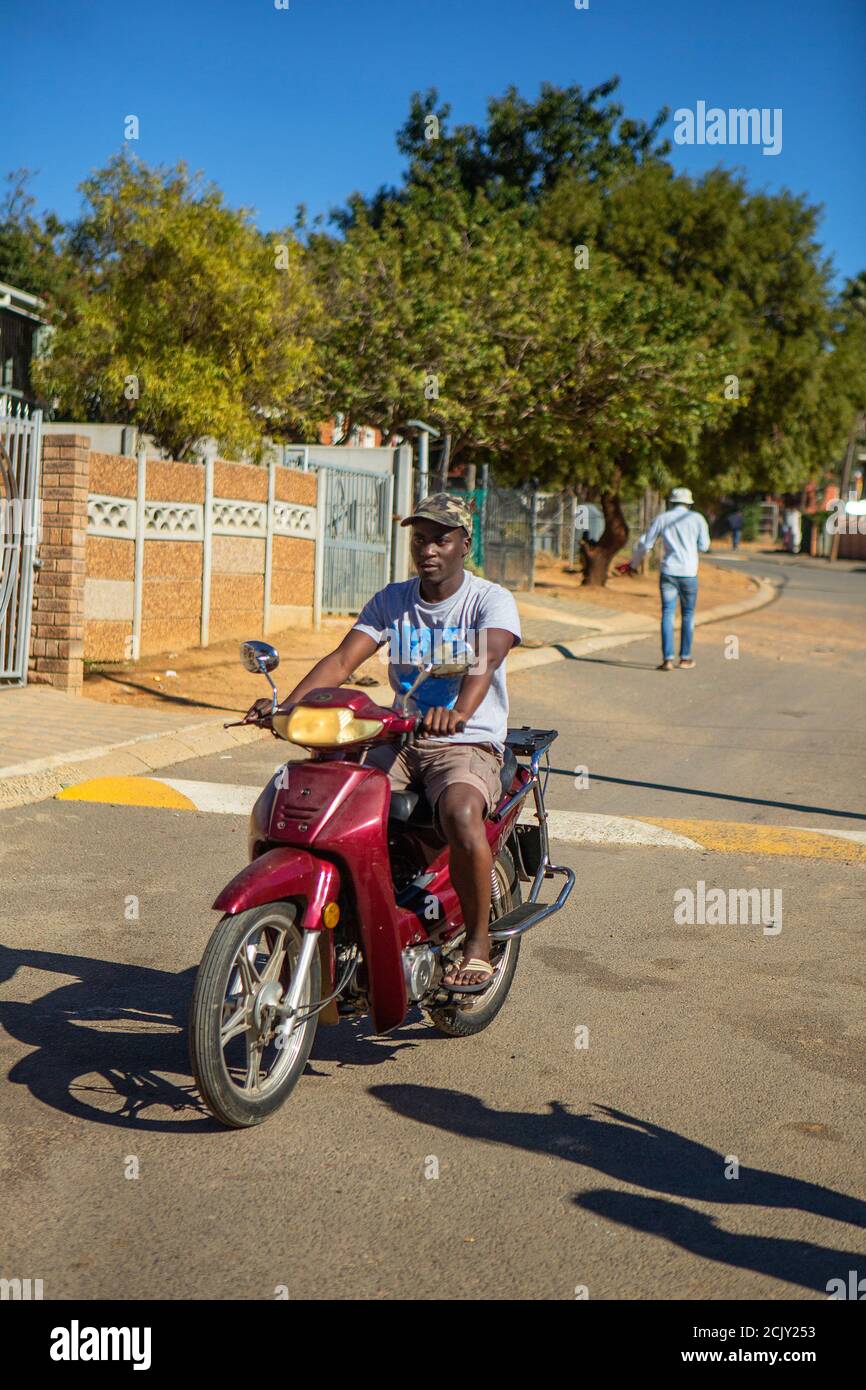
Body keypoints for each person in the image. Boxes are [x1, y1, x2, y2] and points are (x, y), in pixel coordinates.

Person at [282, 493, 521, 992]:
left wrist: (458, 712)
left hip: (465, 742)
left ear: (464, 545)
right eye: (420, 539)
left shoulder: (490, 599)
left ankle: (478, 943)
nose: (428, 549)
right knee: (335, 801)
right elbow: (343, 660)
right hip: (399, 736)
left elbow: (486, 658)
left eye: (441, 539)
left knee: (458, 813)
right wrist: (289, 706)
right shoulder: (394, 599)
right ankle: (354, 914)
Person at [617, 486, 710, 671]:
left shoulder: (662, 518)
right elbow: (705, 545)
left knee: (668, 613)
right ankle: (685, 658)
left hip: (668, 572)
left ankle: (667, 659)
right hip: (689, 573)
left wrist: (633, 565)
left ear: (671, 502)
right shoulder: (698, 519)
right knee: (688, 615)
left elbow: (645, 544)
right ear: (689, 504)